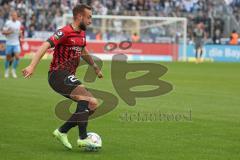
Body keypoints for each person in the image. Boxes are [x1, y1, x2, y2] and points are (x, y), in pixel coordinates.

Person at [22, 4, 103, 150]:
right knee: (85, 97)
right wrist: (32, 66)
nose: (91, 21)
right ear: (79, 16)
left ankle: (62, 131)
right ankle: (83, 138)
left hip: (68, 75)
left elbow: (83, 50)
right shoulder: (64, 32)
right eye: (89, 17)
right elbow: (45, 45)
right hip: (57, 74)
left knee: (93, 104)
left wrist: (94, 66)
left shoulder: (82, 34)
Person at [2, 11, 22, 78]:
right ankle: (6, 71)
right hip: (9, 43)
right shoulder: (8, 23)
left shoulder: (18, 23)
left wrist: (20, 33)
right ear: (11, 16)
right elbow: (3, 32)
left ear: (17, 16)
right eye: (13, 15)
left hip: (16, 43)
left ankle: (13, 70)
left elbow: (19, 32)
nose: (14, 16)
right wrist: (10, 32)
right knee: (8, 58)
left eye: (15, 15)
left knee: (17, 57)